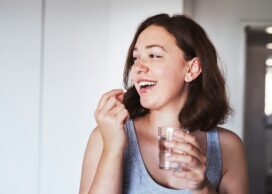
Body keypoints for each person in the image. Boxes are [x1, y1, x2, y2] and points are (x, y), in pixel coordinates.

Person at [79, 13, 248, 194]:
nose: (138, 67)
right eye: (136, 58)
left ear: (191, 69)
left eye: (154, 55)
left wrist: (202, 187)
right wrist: (112, 150)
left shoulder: (228, 147)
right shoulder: (105, 137)